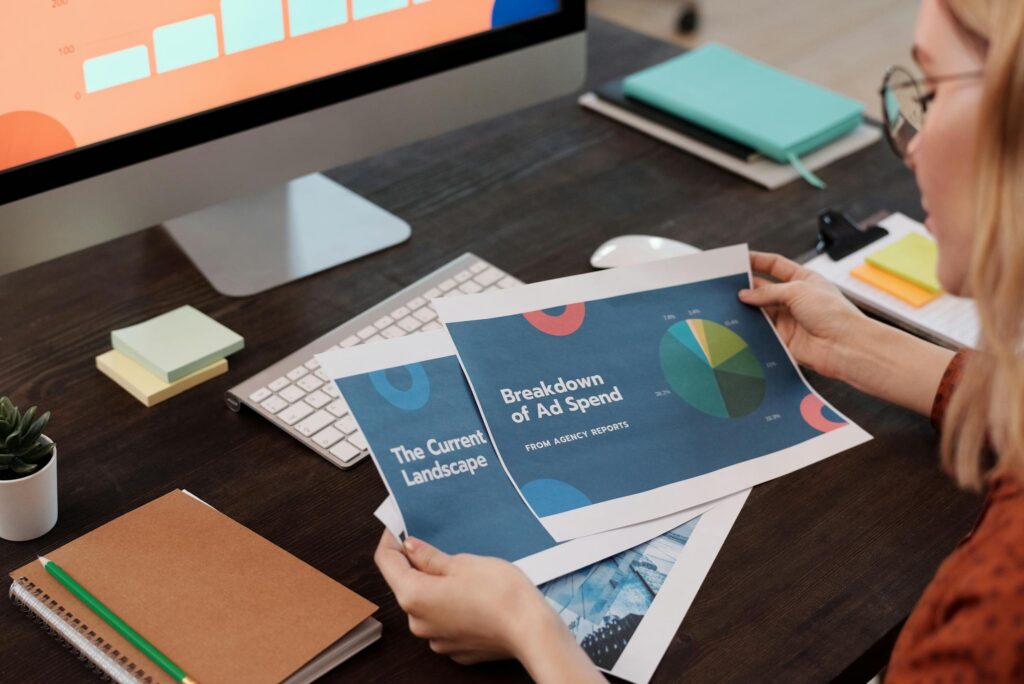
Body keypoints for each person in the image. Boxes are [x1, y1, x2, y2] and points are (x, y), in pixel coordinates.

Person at [374, 0, 1024, 680]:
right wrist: (857, 346)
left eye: (934, 90)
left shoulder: (993, 618)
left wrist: (531, 626)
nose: (910, 140)